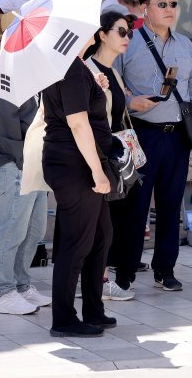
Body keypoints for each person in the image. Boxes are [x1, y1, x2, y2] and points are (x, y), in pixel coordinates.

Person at [115, 0, 192, 292]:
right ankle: (125, 273)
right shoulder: (128, 41)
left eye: (173, 3)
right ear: (144, 8)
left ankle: (165, 270)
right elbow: (111, 87)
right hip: (143, 134)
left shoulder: (185, 45)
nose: (169, 9)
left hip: (178, 136)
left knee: (171, 206)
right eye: (162, 4)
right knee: (136, 207)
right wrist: (131, 101)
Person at [42, 33, 115, 338]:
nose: (95, 31)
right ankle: (64, 318)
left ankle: (93, 309)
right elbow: (78, 123)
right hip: (75, 164)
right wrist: (98, 172)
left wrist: (95, 85)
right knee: (77, 242)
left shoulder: (77, 66)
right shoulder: (69, 68)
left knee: (100, 235)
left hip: (76, 161)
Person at [0, 50, 51, 313]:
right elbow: (4, 127)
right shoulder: (5, 76)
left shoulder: (31, 75)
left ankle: (21, 285)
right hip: (14, 163)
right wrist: (26, 161)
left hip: (33, 162)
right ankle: (3, 291)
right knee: (12, 228)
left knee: (34, 228)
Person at [80, 11, 139, 301]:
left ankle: (98, 278)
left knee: (109, 223)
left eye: (129, 32)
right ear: (102, 35)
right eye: (121, 31)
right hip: (96, 156)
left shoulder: (113, 71)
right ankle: (95, 280)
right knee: (96, 223)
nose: (127, 37)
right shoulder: (90, 70)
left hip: (112, 155)